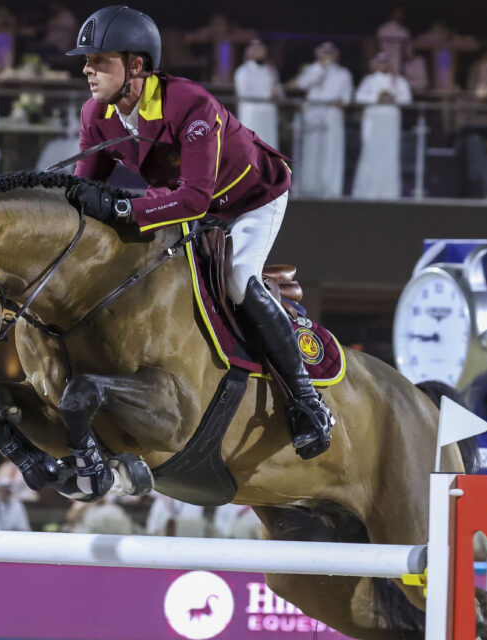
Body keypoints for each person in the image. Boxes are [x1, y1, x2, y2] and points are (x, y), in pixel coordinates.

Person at [65, 5, 334, 459]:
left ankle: (307, 401)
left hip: (251, 199)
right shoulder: (97, 115)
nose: (88, 70)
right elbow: (80, 191)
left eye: (100, 61)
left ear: (136, 66)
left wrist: (125, 206)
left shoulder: (189, 105)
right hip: (187, 205)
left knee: (236, 280)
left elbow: (193, 199)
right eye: (87, 62)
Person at [292, 42, 353, 198]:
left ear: (336, 55)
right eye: (323, 52)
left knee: (332, 151)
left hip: (332, 114)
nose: (326, 55)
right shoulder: (311, 70)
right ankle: (309, 186)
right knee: (311, 150)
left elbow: (345, 99)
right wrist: (318, 71)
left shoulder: (343, 73)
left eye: (330, 52)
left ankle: (331, 188)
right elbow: (301, 84)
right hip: (313, 113)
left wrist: (334, 102)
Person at [352, 52, 411, 200]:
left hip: (390, 122)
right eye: (379, 62)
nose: (382, 65)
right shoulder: (368, 80)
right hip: (373, 121)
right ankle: (366, 191)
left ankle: (388, 191)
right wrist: (376, 98)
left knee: (389, 153)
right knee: (371, 152)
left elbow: (407, 99)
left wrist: (392, 97)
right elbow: (359, 97)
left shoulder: (398, 81)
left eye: (385, 62)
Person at [233, 38, 282, 149]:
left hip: (268, 114)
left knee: (269, 146)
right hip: (252, 115)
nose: (258, 51)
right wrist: (267, 95)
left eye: (260, 48)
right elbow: (243, 94)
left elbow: (278, 92)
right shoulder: (243, 71)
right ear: (248, 51)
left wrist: (277, 93)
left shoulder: (271, 70)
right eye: (254, 48)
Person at [375, 7, 410, 76]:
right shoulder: (402, 31)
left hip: (391, 63)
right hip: (387, 62)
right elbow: (408, 54)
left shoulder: (402, 31)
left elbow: (408, 53)